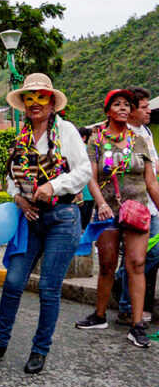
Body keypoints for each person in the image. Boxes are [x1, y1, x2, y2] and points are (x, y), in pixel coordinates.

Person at [0, 73, 90, 373]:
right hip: (29, 217)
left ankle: (40, 351)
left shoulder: (66, 131)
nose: (35, 103)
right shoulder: (21, 138)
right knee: (13, 281)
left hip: (62, 217)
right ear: (23, 103)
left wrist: (56, 185)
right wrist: (18, 198)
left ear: (52, 102)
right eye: (29, 97)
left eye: (41, 96)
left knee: (49, 287)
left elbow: (85, 170)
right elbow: (13, 179)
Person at [75, 89, 159, 348]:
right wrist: (100, 204)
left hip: (137, 212)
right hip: (107, 212)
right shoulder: (96, 140)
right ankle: (100, 315)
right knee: (108, 265)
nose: (123, 108)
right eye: (117, 104)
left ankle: (137, 325)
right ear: (108, 110)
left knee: (137, 263)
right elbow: (90, 176)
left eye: (127, 104)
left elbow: (151, 181)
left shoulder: (140, 140)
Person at [114, 87, 159, 325]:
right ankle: (126, 307)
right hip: (133, 206)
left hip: (152, 204)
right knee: (137, 258)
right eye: (144, 107)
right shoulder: (122, 135)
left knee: (148, 255)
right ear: (131, 111)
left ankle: (121, 279)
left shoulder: (147, 132)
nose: (148, 110)